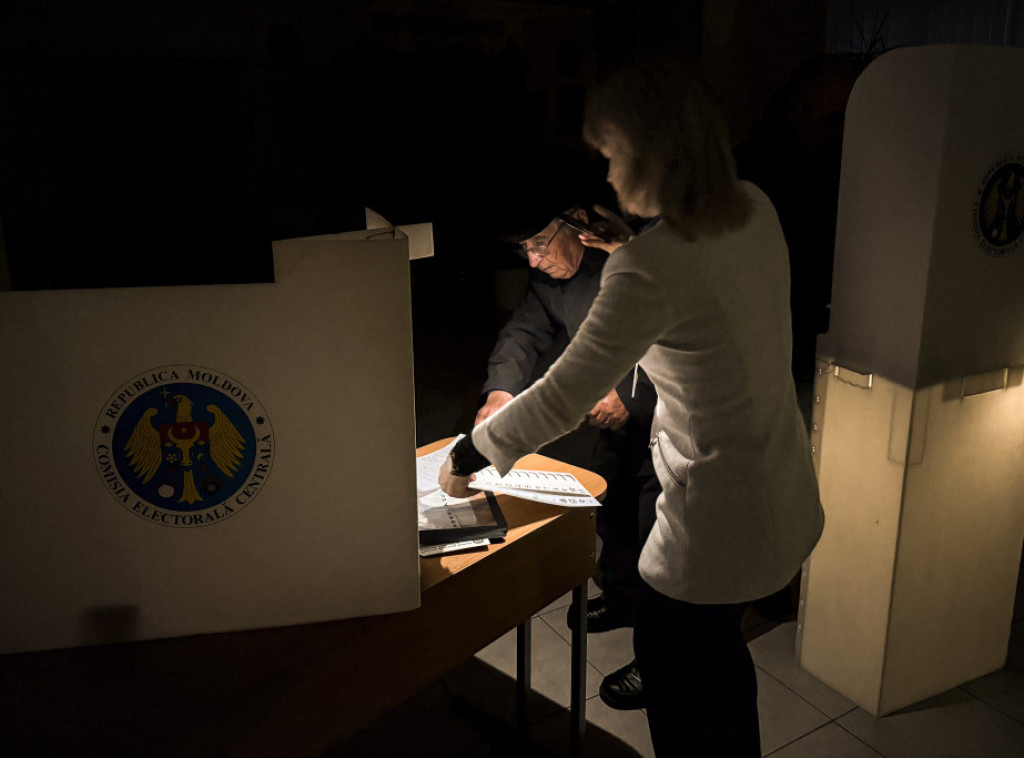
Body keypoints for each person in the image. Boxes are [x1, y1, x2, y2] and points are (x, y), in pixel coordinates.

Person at [441, 56, 824, 756]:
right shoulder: (754, 205)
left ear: (650, 154)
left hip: (713, 522)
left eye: (613, 156)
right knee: (722, 672)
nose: (610, 177)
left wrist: (472, 452)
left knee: (681, 696)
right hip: (782, 489)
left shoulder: (647, 268)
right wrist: (631, 245)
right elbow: (710, 306)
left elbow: (564, 394)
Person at [478, 199, 660, 710]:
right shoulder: (551, 277)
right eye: (525, 250)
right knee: (613, 508)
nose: (533, 260)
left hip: (673, 423)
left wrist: (629, 397)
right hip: (617, 425)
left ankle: (660, 659)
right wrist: (501, 392)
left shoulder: (639, 261)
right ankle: (622, 600)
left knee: (658, 536)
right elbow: (524, 331)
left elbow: (679, 341)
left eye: (539, 243)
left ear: (577, 222)